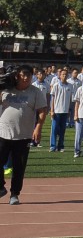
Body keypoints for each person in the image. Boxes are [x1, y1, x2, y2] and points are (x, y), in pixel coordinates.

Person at [0, 65, 48, 205]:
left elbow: (42, 111)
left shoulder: (35, 92)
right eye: (23, 75)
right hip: (3, 134)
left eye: (28, 75)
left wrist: (38, 128)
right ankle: (0, 187)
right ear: (17, 75)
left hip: (23, 136)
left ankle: (14, 194)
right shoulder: (6, 89)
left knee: (19, 167)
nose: (25, 78)